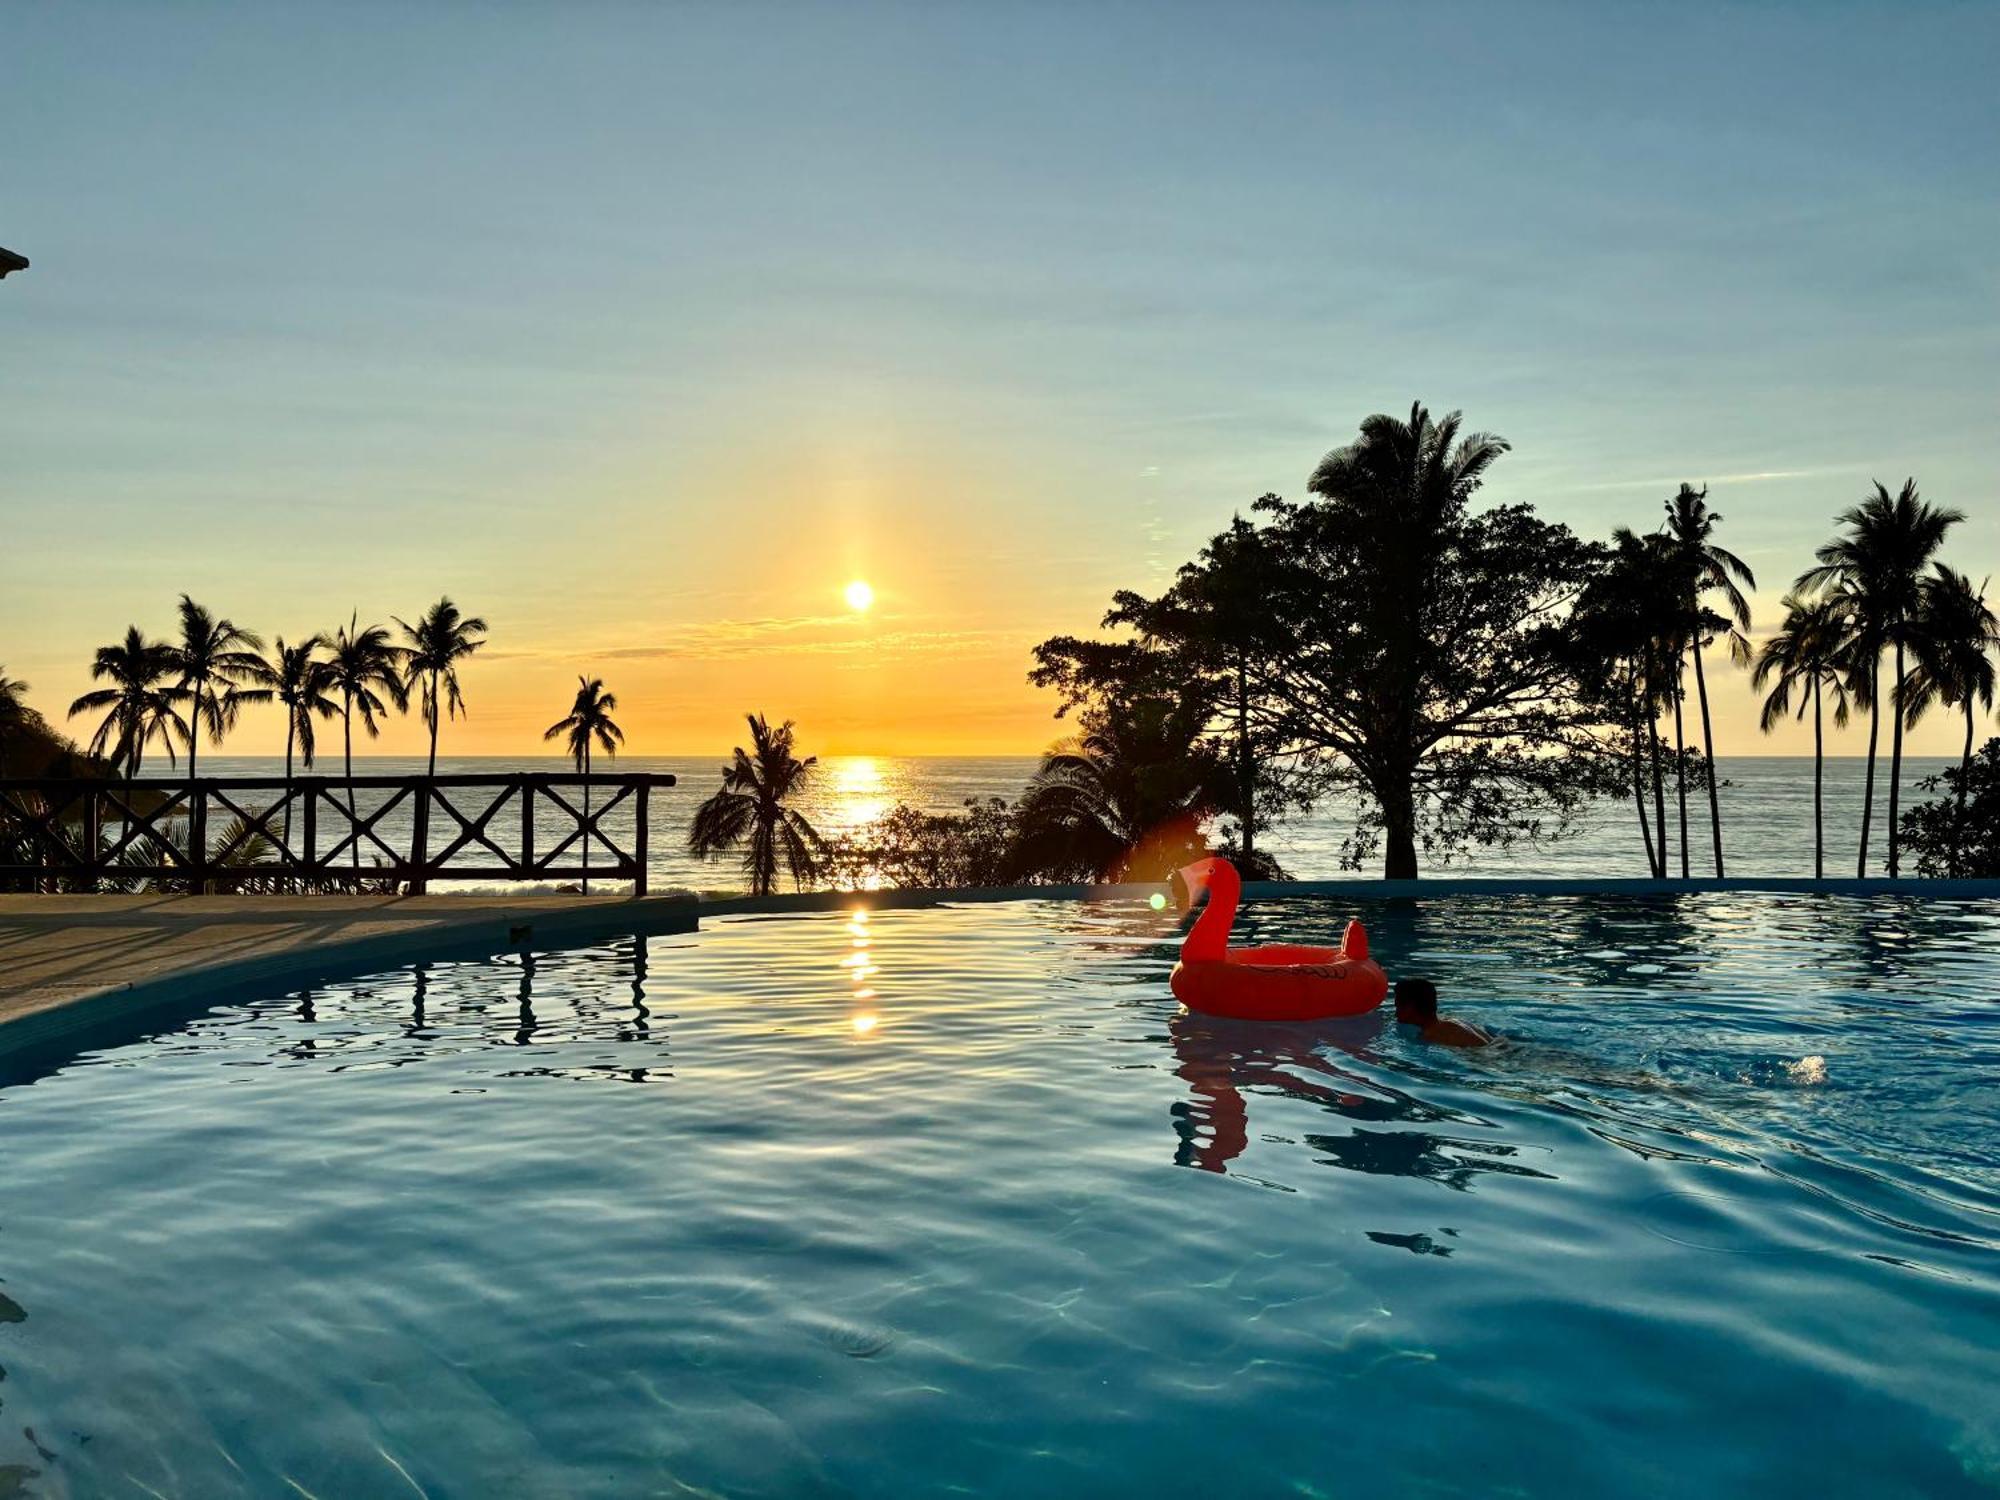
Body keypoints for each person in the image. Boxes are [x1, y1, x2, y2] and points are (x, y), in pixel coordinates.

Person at [1393, 978, 1493, 1048]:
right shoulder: (1451, 1022)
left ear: (1410, 1007)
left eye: (1398, 1007)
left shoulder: (1434, 1035)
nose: (1396, 1014)